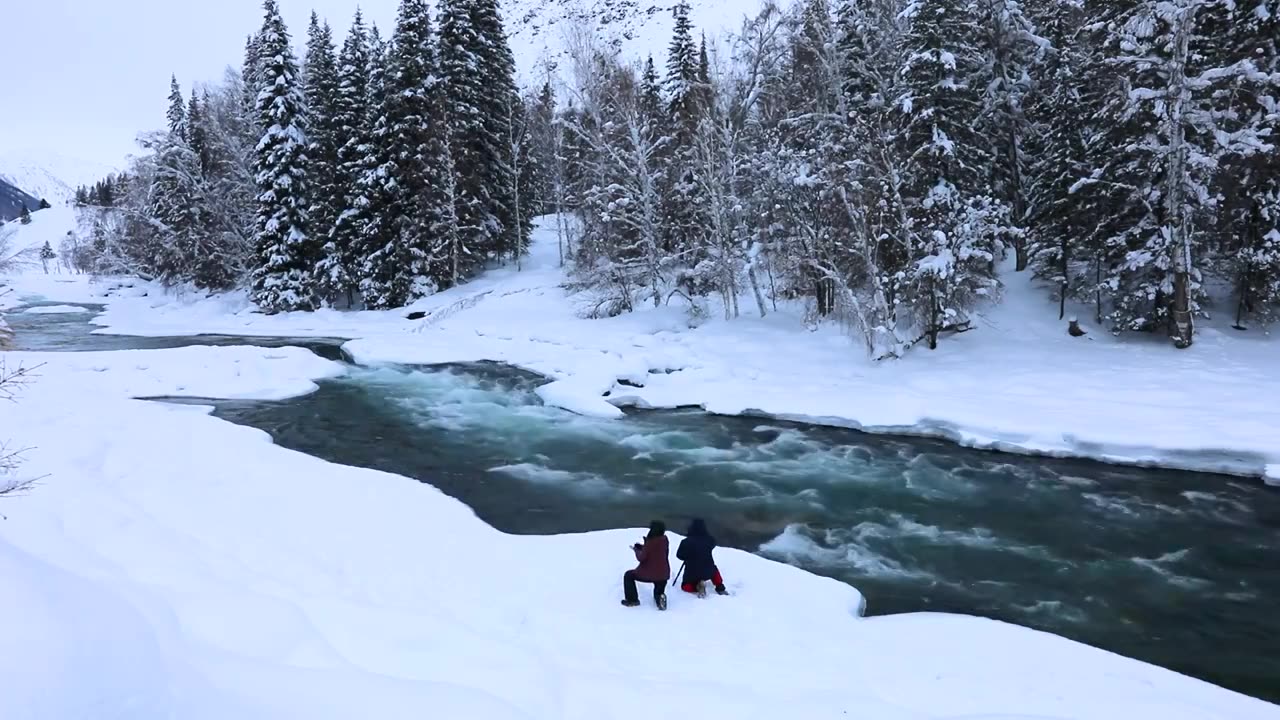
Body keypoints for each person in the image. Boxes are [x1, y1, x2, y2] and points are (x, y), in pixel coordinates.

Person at [622, 520, 670, 609]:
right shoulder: (665, 540)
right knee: (658, 590)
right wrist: (644, 547)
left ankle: (632, 600)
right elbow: (657, 552)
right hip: (663, 574)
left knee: (628, 575)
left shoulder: (650, 542)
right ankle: (660, 599)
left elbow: (641, 558)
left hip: (650, 573)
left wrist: (636, 550)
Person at [676, 518, 728, 597]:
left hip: (692, 571)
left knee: (685, 586)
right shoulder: (710, 540)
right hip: (708, 570)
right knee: (714, 569)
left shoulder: (686, 542)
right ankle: (720, 586)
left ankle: (697, 587)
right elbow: (713, 543)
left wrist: (688, 556)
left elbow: (679, 555)